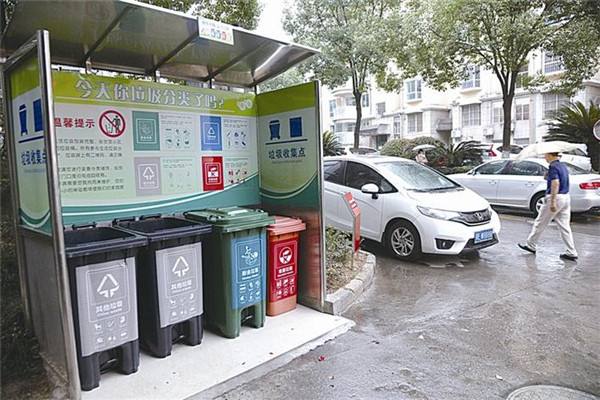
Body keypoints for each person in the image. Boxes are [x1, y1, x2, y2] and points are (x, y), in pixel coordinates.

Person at [518, 152, 578, 261]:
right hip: (565, 197)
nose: (544, 157)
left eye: (546, 155)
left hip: (555, 197)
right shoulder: (562, 165)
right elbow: (557, 179)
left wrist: (553, 202)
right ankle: (571, 251)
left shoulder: (553, 167)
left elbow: (555, 183)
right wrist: (547, 176)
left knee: (540, 222)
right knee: (564, 226)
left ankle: (531, 245)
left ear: (551, 155)